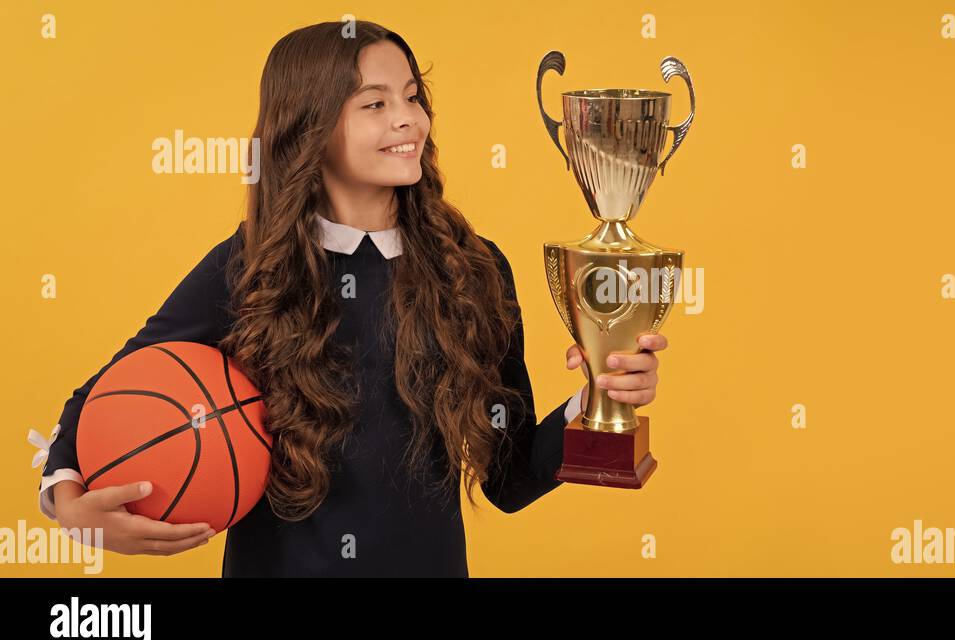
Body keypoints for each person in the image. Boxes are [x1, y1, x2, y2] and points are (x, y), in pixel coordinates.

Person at [38, 20, 668, 576]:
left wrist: (596, 396)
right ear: (309, 125)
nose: (408, 119)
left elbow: (510, 478)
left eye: (413, 97)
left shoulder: (475, 269)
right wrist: (69, 503)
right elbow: (104, 393)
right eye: (375, 103)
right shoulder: (249, 268)